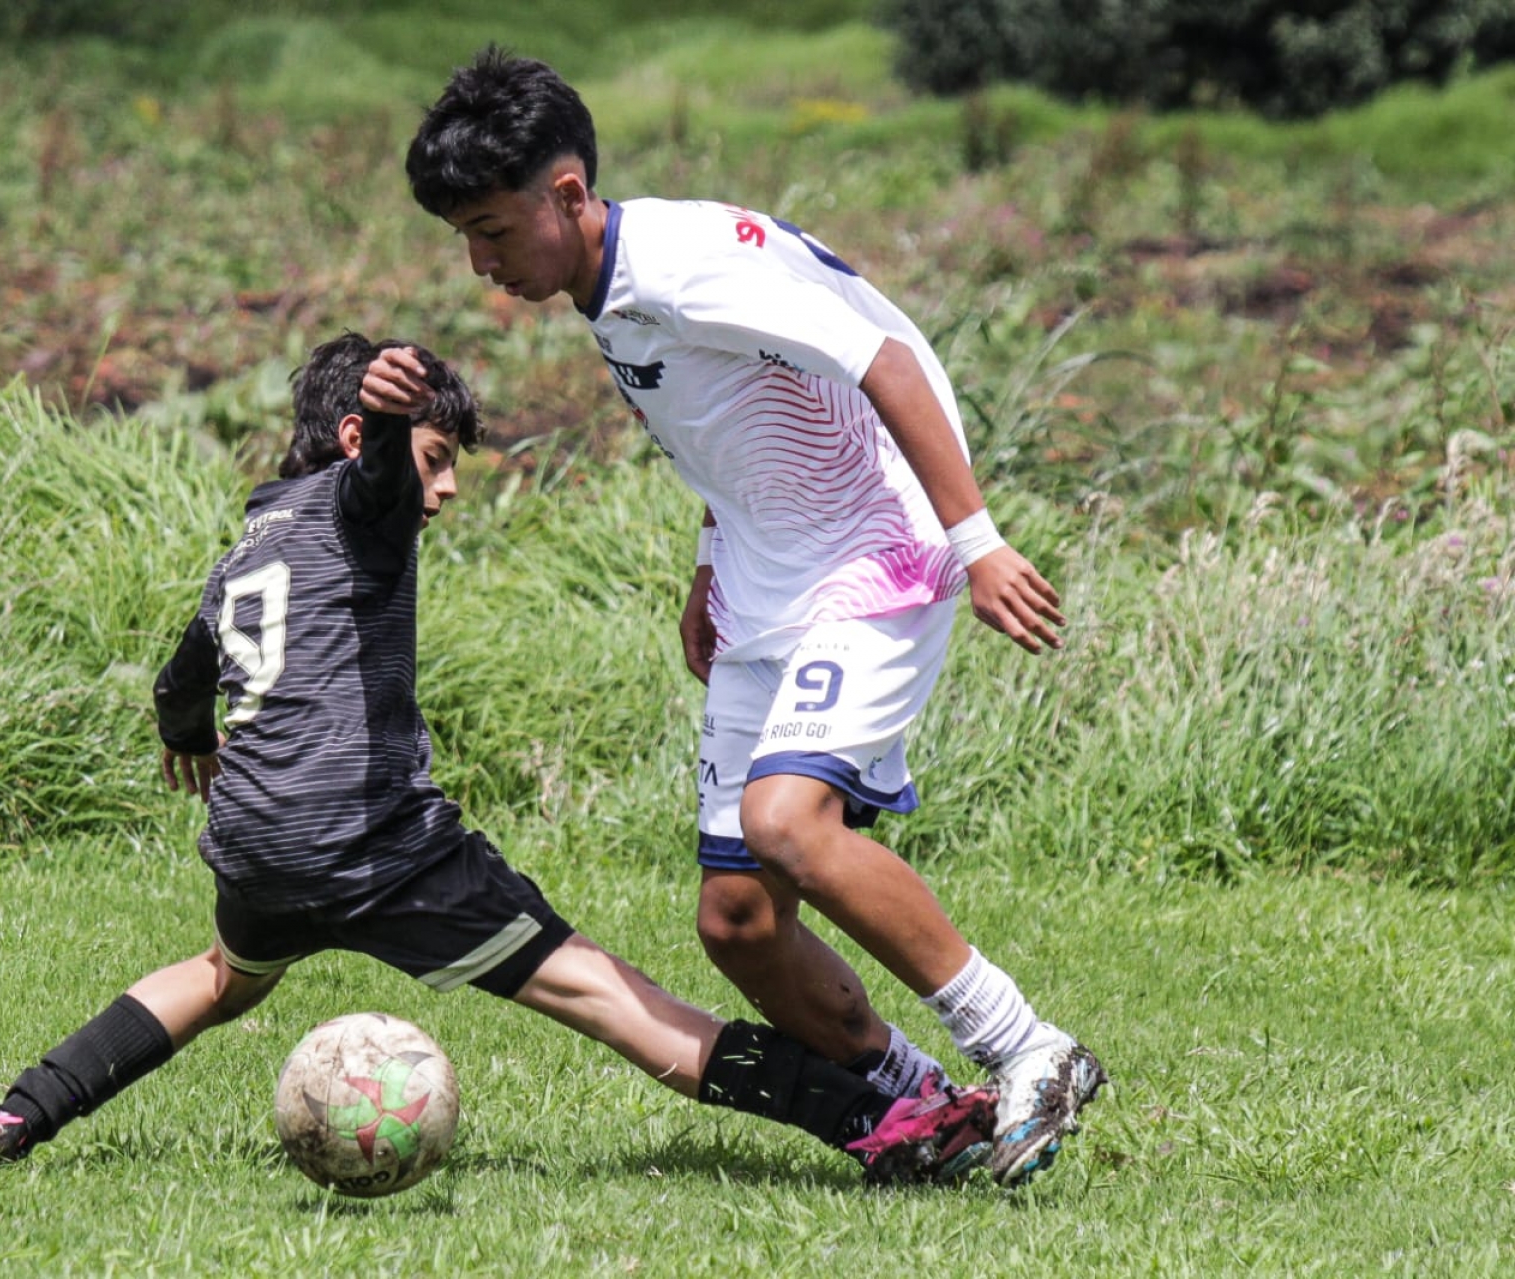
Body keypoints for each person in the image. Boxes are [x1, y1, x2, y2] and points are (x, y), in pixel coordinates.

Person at [0, 332, 1001, 1186]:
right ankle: (885, 1124)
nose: (447, 488)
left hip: (258, 845)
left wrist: (190, 741)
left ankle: (13, 1117)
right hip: (376, 846)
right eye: (436, 459)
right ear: (360, 442)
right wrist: (387, 411)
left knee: (220, 978)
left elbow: (179, 680)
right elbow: (377, 481)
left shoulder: (251, 541)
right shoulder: (362, 506)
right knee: (612, 997)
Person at [403, 50, 1106, 1187]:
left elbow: (882, 358)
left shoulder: (682, 270)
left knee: (787, 823)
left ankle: (1031, 1047)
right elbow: (733, 420)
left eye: (491, 230)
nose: (483, 265)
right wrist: (710, 563)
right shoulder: (612, 284)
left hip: (874, 552)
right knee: (737, 921)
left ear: (568, 195)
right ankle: (926, 1107)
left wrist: (978, 541)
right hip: (766, 577)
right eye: (463, 239)